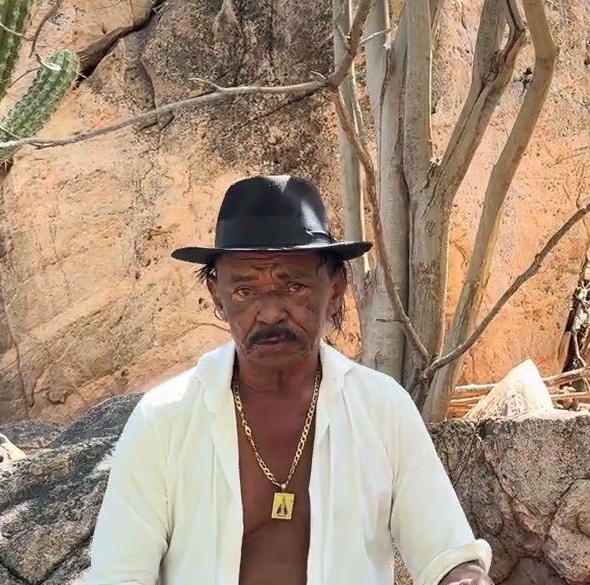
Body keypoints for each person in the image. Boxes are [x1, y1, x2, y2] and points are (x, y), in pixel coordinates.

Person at [83, 174, 493, 585]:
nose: (270, 312)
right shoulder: (164, 419)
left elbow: (446, 551)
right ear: (216, 293)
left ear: (335, 288)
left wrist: (464, 578)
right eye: (244, 291)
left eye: (293, 285)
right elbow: (119, 574)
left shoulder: (382, 408)